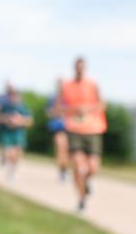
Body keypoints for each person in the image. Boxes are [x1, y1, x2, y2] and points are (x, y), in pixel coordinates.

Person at [57, 58, 107, 211]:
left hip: (93, 129)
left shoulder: (92, 85)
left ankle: (85, 182)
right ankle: (81, 199)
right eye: (77, 67)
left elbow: (102, 104)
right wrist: (74, 110)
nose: (79, 70)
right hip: (74, 129)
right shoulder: (66, 86)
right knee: (78, 165)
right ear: (74, 68)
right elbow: (59, 108)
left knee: (93, 167)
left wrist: (88, 109)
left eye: (82, 67)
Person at [0, 86, 33, 181]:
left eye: (15, 96)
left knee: (18, 153)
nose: (13, 98)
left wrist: (20, 121)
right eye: (11, 96)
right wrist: (7, 120)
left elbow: (30, 122)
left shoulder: (23, 107)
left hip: (19, 133)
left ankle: (12, 170)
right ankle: (9, 168)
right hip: (6, 132)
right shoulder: (5, 106)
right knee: (10, 152)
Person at [45, 81, 70, 182]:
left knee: (68, 152)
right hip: (58, 128)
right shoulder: (52, 99)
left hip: (70, 128)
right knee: (60, 149)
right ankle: (62, 172)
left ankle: (65, 170)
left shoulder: (69, 98)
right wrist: (57, 111)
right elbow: (49, 113)